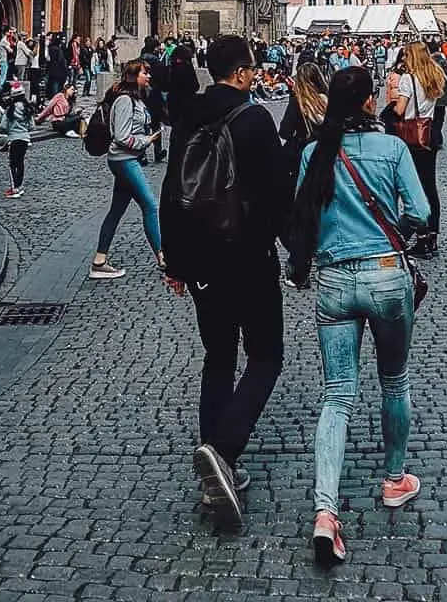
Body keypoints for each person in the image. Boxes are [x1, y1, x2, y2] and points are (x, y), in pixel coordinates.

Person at [290, 66, 429, 568]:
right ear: (369, 103)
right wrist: (399, 228)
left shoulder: (313, 152)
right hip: (387, 275)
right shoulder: (392, 148)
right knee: (394, 380)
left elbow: (301, 215)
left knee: (337, 396)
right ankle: (395, 481)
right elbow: (420, 211)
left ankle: (325, 512)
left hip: (333, 280)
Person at [159, 35, 290, 532]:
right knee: (265, 356)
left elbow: (174, 190)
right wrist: (296, 253)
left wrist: (174, 260)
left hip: (202, 265)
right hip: (250, 258)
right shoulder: (255, 119)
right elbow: (280, 194)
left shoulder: (187, 114)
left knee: (217, 358)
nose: (255, 75)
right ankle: (223, 450)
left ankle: (217, 468)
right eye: (252, 68)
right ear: (239, 72)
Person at [90, 59, 164, 280]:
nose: (148, 76)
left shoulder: (136, 99)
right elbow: (121, 136)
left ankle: (99, 261)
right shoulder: (124, 100)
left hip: (127, 159)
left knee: (116, 210)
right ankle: (162, 258)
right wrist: (147, 141)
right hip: (124, 160)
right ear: (134, 76)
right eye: (144, 73)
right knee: (150, 205)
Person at [384, 41, 445, 255]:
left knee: (413, 189)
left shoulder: (408, 80)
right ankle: (432, 236)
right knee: (430, 187)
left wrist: (389, 109)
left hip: (411, 137)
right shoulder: (434, 76)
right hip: (429, 135)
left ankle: (420, 236)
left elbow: (400, 110)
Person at [280, 57, 328, 195]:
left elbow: (284, 132)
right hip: (327, 151)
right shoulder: (328, 98)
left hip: (303, 153)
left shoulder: (298, 102)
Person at [3, 80, 35, 198]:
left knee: (12, 163)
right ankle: (19, 186)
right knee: (20, 162)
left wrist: (11, 129)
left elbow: (2, 125)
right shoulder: (28, 109)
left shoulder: (10, 110)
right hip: (25, 139)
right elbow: (32, 126)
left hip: (14, 138)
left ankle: (14, 188)